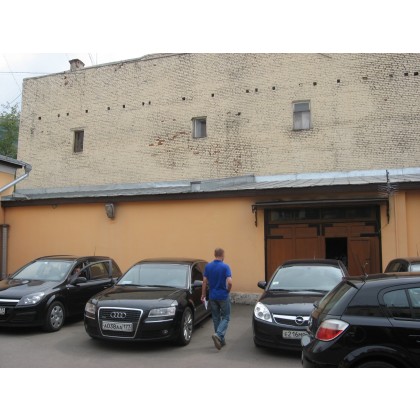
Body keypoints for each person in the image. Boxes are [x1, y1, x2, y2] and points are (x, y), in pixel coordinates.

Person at [201, 248, 232, 350]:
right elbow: (230, 282)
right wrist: (228, 290)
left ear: (215, 254)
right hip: (223, 296)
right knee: (226, 317)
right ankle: (218, 334)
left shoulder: (208, 266)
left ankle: (220, 340)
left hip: (212, 296)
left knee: (216, 318)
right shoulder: (225, 266)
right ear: (222, 255)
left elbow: (204, 281)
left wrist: (203, 294)